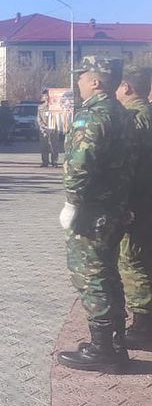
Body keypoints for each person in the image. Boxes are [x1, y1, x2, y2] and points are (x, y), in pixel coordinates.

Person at [57, 57, 135, 371]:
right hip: (114, 208)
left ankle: (104, 350)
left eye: (81, 78)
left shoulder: (93, 115)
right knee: (108, 274)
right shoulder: (121, 112)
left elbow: (79, 163)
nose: (78, 83)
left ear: (96, 82)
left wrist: (72, 203)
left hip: (93, 211)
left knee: (91, 275)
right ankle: (113, 342)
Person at [117, 68, 152, 350]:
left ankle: (143, 326)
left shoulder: (135, 119)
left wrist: (123, 203)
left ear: (126, 87)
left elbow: (131, 165)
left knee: (134, 260)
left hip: (140, 201)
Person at [37, 89, 60, 167]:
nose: (47, 97)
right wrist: (43, 126)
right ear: (43, 97)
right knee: (44, 146)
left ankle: (54, 161)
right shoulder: (40, 107)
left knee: (54, 147)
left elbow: (59, 117)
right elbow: (39, 119)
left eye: (48, 95)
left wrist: (54, 126)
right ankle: (45, 161)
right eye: (45, 95)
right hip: (43, 130)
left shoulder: (55, 107)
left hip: (53, 129)